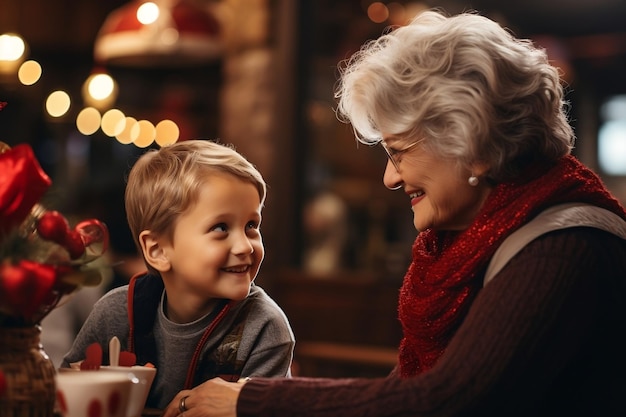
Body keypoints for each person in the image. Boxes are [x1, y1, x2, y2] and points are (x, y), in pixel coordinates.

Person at [162, 10, 626, 417]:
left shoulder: (563, 248)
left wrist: (249, 402)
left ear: (473, 143)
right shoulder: (482, 240)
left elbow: (445, 402)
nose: (389, 177)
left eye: (399, 151)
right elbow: (405, 393)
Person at [62, 139, 295, 410]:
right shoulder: (115, 313)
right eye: (220, 228)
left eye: (251, 225)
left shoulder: (265, 328)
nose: (245, 246)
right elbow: (66, 394)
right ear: (159, 250)